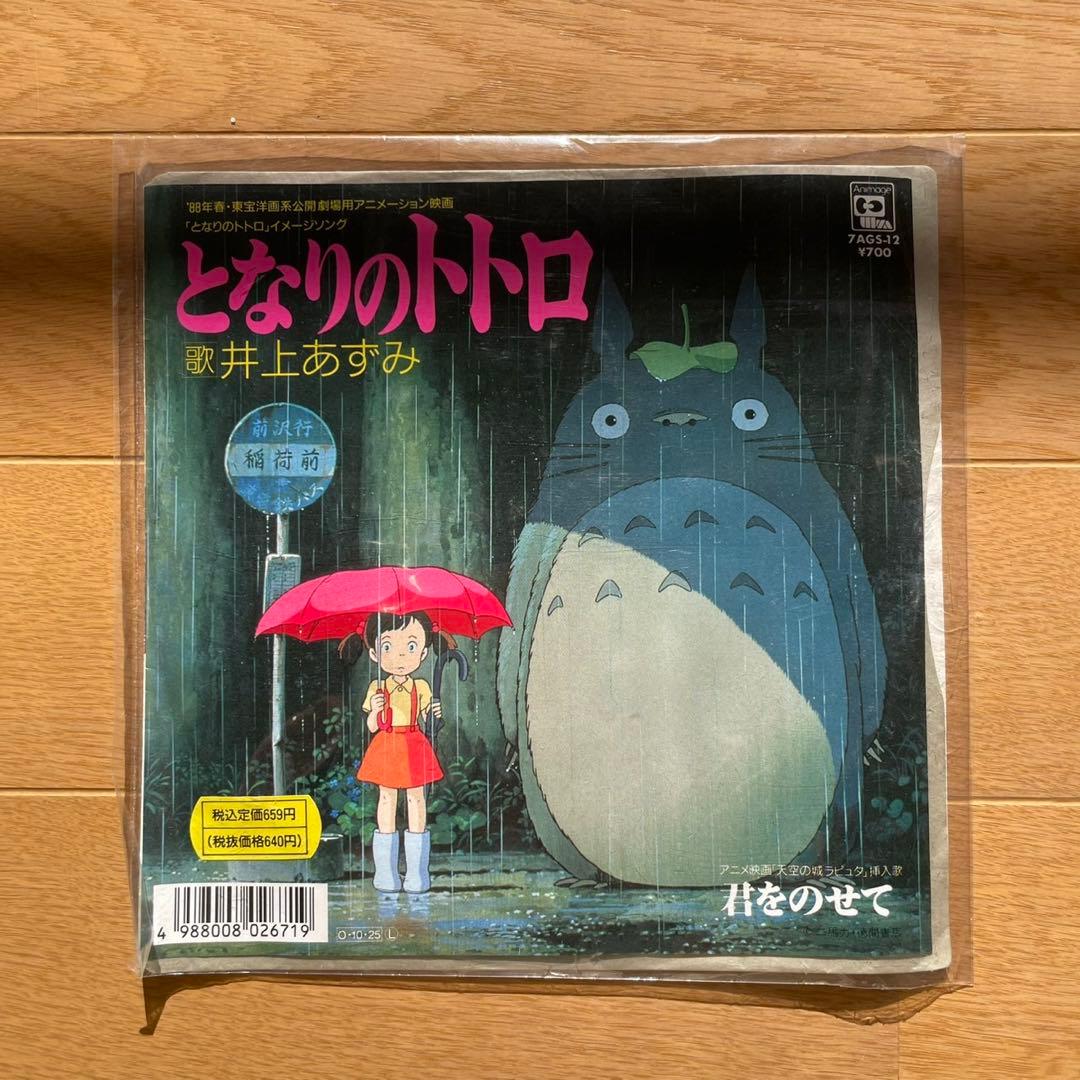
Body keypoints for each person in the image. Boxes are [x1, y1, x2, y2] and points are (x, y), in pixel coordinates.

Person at [350, 611, 443, 893]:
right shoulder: (377, 687)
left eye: (411, 646)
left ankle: (417, 874)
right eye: (388, 646)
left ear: (423, 652)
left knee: (416, 798)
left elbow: (428, 720)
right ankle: (386, 873)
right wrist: (376, 710)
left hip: (413, 742)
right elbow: (371, 726)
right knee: (387, 799)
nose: (400, 656)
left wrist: (435, 714)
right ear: (374, 654)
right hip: (387, 744)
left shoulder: (421, 687)